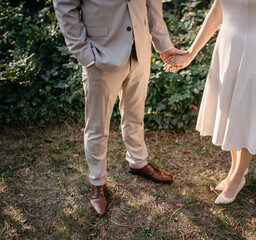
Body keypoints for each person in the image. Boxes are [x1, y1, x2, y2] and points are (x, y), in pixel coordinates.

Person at [53, 0, 187, 215]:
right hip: (100, 55)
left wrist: (164, 46)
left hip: (140, 51)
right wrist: (84, 54)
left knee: (135, 115)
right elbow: (65, 7)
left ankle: (138, 162)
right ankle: (97, 182)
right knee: (97, 125)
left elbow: (152, 5)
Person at [165, 0, 256, 204]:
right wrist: (191, 53)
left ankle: (236, 178)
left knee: (247, 113)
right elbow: (217, 12)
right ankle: (236, 170)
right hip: (227, 48)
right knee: (231, 114)